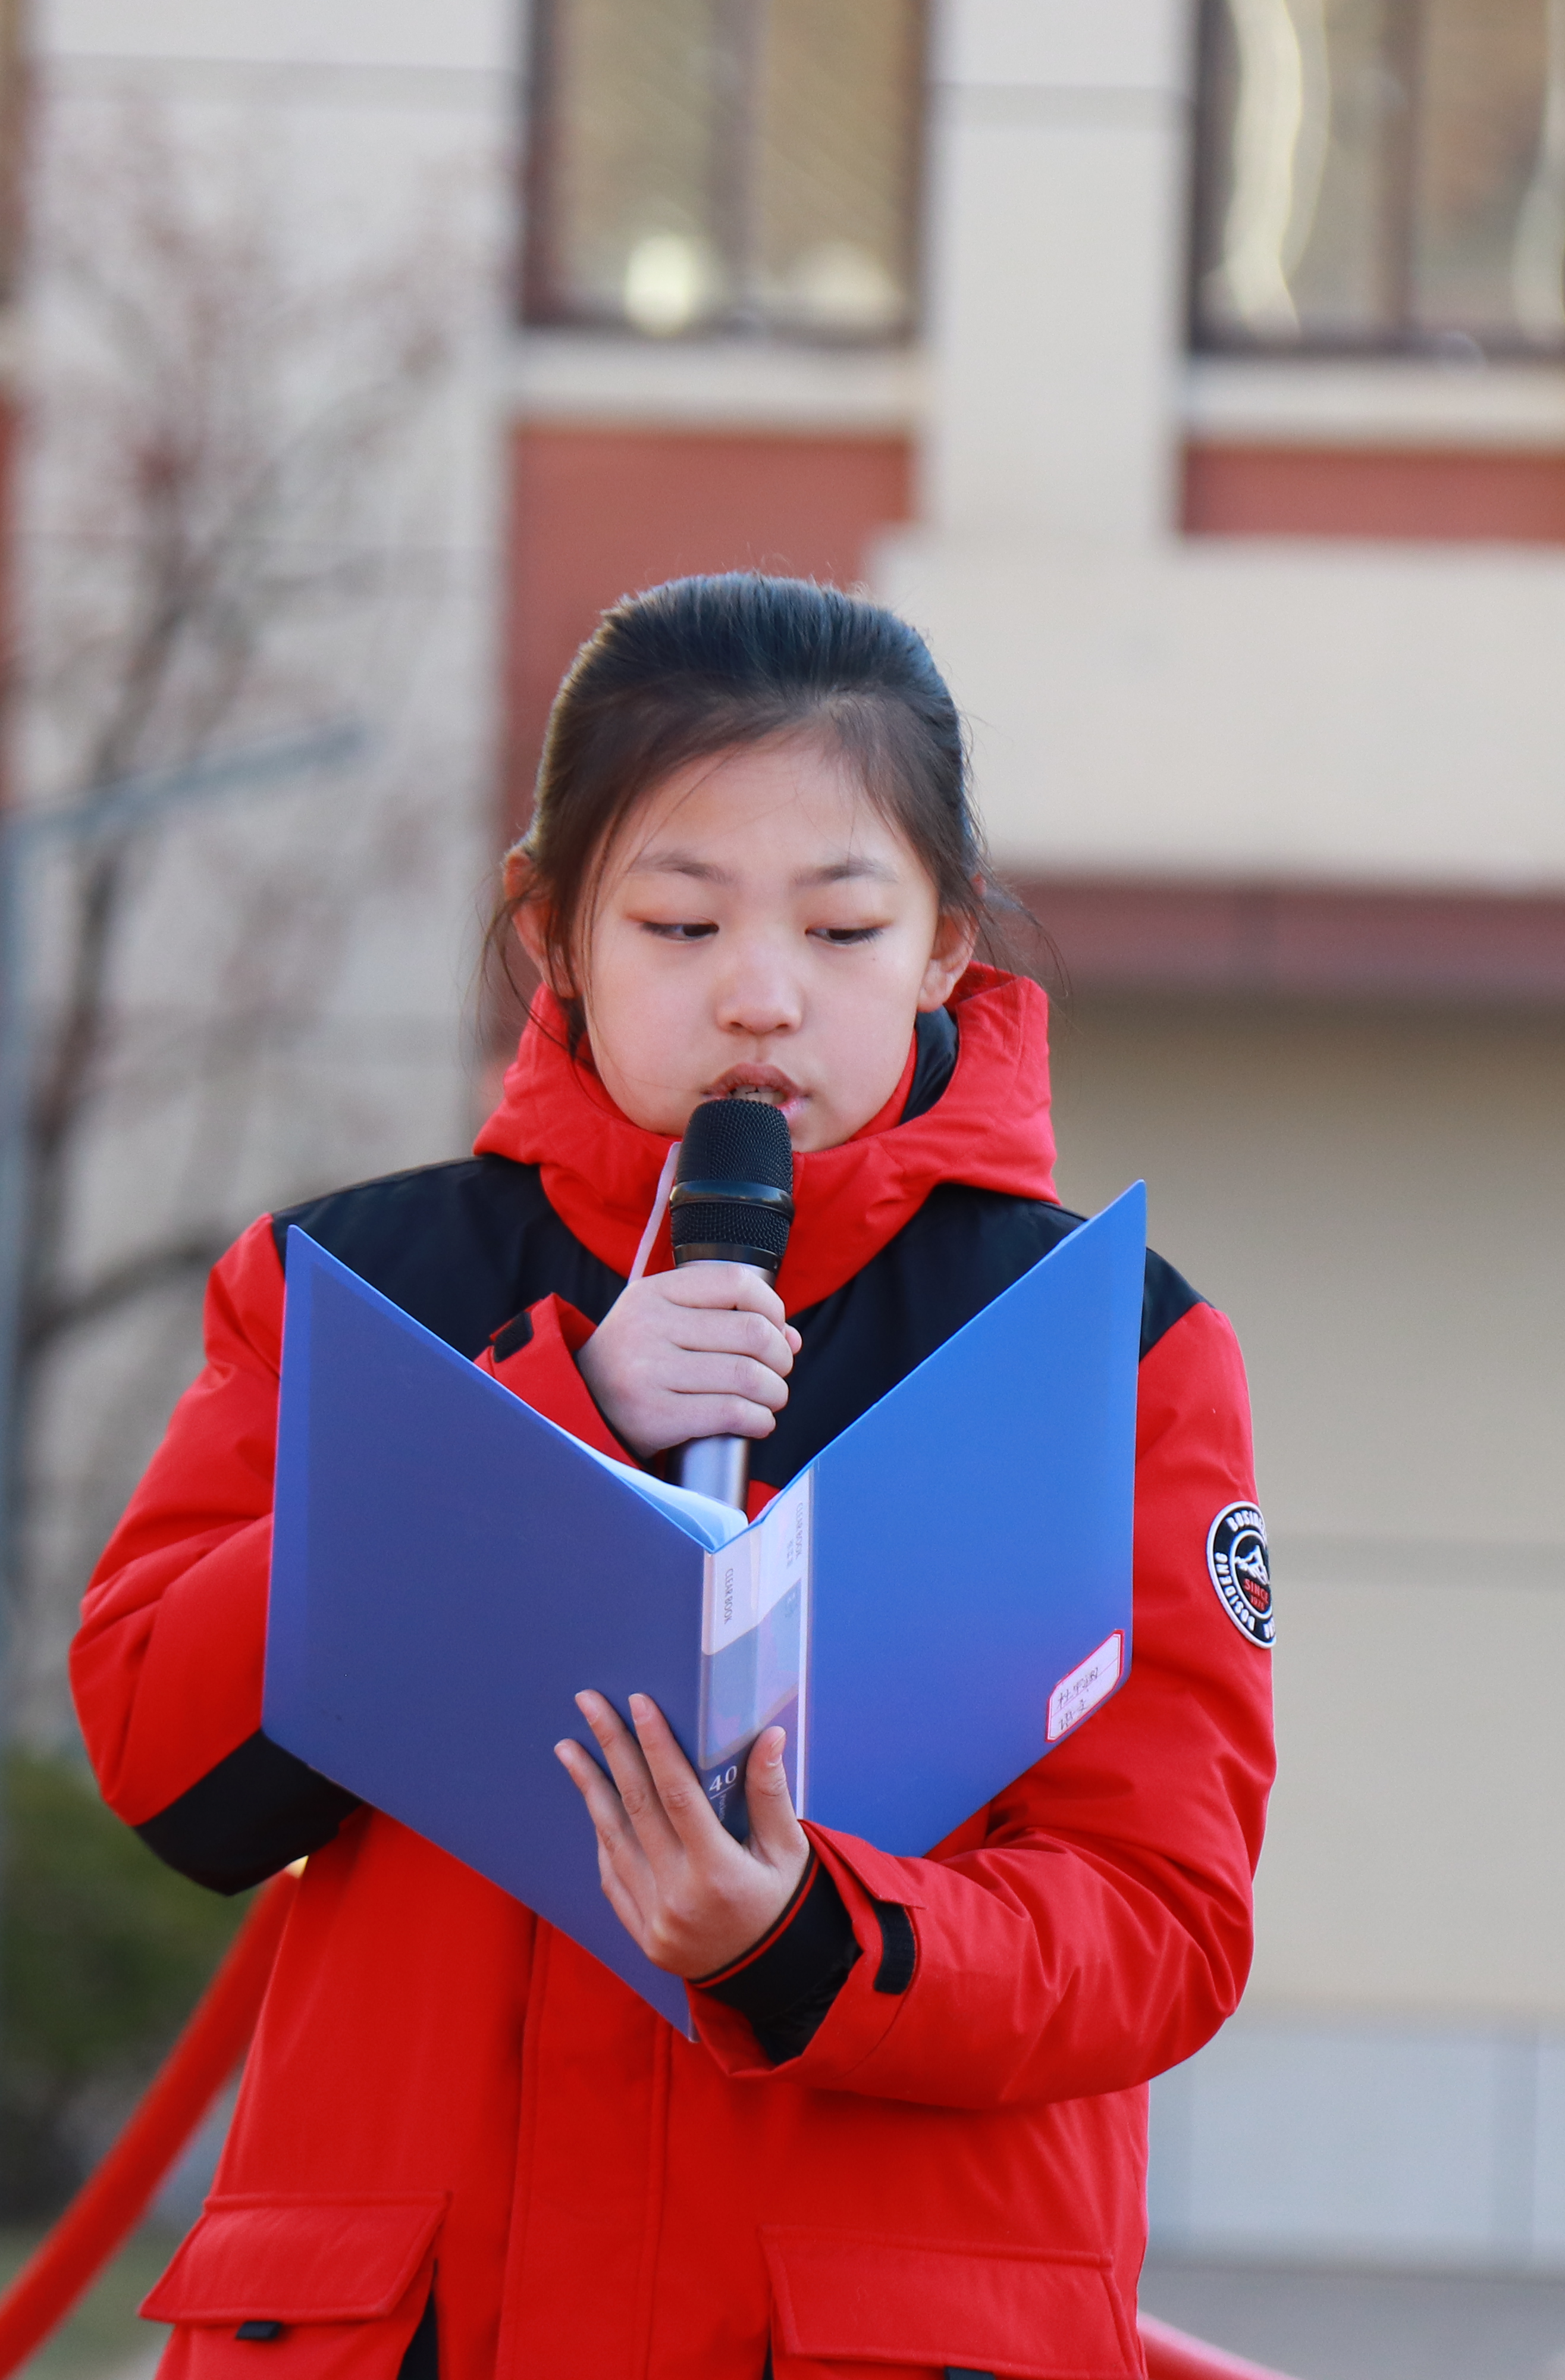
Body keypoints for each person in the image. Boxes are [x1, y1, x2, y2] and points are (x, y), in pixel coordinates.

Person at [72, 573, 1275, 2379]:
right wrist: (540, 1426)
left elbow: (1160, 1922)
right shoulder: (364, 1290)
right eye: (682, 922)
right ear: (551, 928)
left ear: (951, 942)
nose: (763, 1000)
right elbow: (172, 1758)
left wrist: (804, 1935)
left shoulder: (1096, 1348)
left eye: (847, 929)